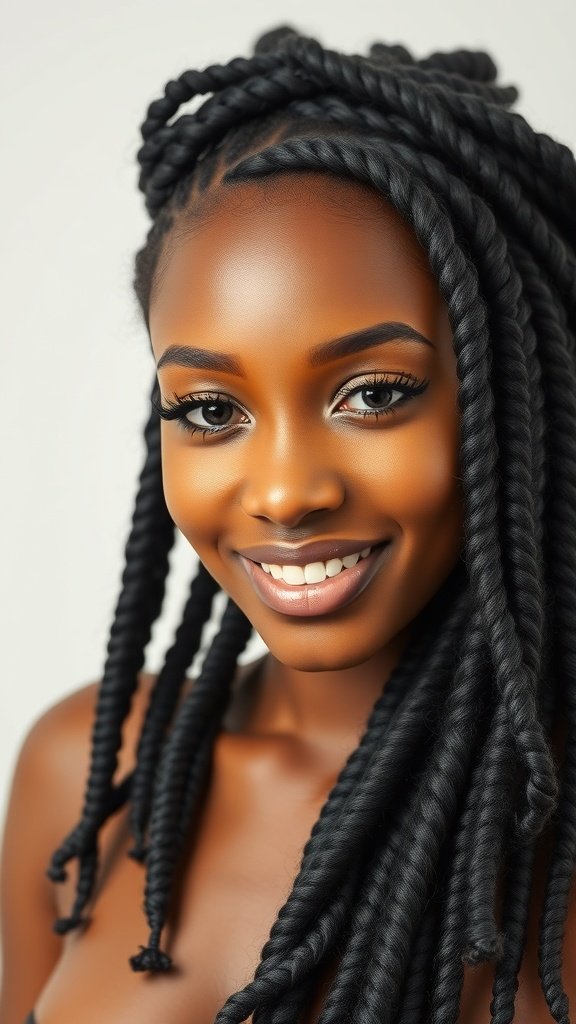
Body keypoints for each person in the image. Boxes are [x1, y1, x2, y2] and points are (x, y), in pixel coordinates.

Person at [1, 21, 575, 1024]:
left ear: (515, 399)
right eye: (212, 410)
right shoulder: (85, 769)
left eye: (374, 393)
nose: (283, 491)